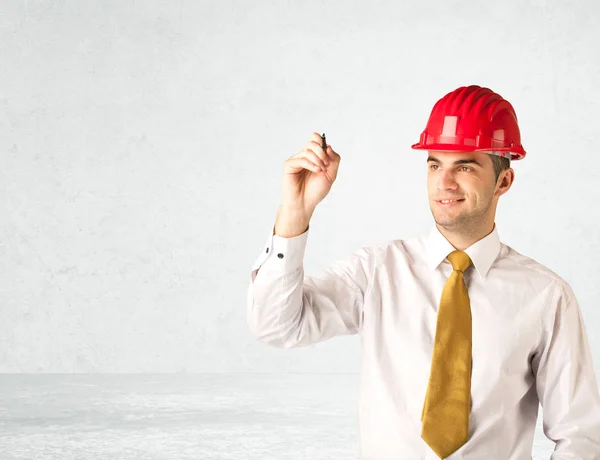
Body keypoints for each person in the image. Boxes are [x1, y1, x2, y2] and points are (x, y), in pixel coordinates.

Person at [246, 85, 600, 459]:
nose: (444, 183)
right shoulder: (376, 272)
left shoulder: (546, 296)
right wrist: (295, 213)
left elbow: (579, 434)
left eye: (464, 166)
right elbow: (276, 326)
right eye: (434, 165)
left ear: (503, 182)